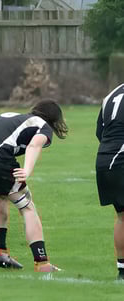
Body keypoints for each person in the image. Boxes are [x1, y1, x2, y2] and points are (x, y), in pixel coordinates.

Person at [0, 99, 68, 272]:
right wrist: (26, 170)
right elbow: (34, 145)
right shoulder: (42, 126)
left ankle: (0, 252)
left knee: (1, 195)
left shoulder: (11, 117)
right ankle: (42, 263)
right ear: (53, 119)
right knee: (27, 206)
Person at [95, 84, 124, 280]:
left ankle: (122, 270)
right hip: (121, 158)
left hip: (105, 160)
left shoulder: (111, 94)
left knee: (122, 217)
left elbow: (100, 132)